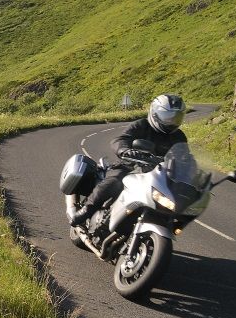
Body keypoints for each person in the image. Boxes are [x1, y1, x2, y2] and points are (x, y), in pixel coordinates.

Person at [70, 94, 188, 227]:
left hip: (158, 175)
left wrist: (191, 171)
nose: (172, 121)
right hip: (130, 166)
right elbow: (120, 139)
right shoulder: (142, 125)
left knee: (176, 201)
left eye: (176, 117)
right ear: (155, 113)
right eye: (168, 116)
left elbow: (184, 156)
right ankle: (87, 210)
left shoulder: (179, 136)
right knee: (114, 181)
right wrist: (124, 150)